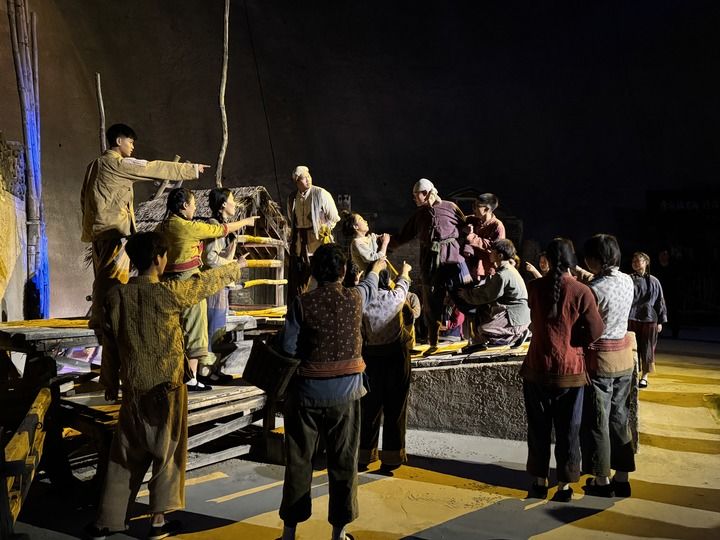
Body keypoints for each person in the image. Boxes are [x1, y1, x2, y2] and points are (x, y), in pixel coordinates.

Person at [85, 231, 247, 540]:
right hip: (167, 388)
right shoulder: (168, 293)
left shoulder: (117, 296)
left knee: (124, 455)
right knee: (168, 454)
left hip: (133, 387)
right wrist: (233, 268)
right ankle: (158, 522)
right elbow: (204, 283)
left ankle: (108, 521)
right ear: (160, 259)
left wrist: (109, 381)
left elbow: (111, 344)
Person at [277, 244, 385, 540]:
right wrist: (378, 264)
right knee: (344, 462)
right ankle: (339, 533)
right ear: (343, 271)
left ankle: (289, 534)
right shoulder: (356, 298)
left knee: (299, 462)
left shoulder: (302, 303)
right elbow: (371, 283)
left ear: (314, 272)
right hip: (346, 395)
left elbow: (288, 347)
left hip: (306, 395)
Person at [80, 123, 210, 329]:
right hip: (114, 230)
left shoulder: (94, 165)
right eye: (130, 142)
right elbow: (151, 167)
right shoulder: (116, 163)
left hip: (99, 230)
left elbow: (84, 199)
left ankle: (101, 319)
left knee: (103, 277)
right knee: (113, 279)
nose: (132, 147)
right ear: (119, 141)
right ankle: (109, 323)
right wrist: (190, 169)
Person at [520, 238, 604, 502]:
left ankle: (539, 481)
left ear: (548, 259)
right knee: (569, 430)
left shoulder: (534, 288)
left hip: (536, 368)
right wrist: (575, 342)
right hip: (570, 371)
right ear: (571, 260)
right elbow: (596, 330)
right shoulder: (582, 291)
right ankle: (565, 485)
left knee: (538, 429)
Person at [156, 188, 258, 391]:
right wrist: (245, 223)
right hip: (189, 282)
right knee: (196, 328)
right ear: (184, 206)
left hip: (168, 282)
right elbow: (219, 234)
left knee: (177, 330)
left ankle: (179, 374)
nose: (195, 208)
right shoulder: (186, 227)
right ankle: (192, 377)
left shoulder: (162, 226)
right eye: (193, 204)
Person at [579, 234, 636, 498]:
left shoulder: (593, 290)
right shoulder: (628, 280)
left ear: (596, 259)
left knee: (597, 420)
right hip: (624, 358)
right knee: (620, 417)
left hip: (601, 360)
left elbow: (586, 325)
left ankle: (601, 481)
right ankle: (622, 478)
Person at [391, 178, 466, 348]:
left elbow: (465, 226)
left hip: (452, 259)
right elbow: (403, 236)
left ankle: (478, 336)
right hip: (430, 262)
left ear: (425, 193)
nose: (414, 198)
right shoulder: (419, 215)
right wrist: (385, 243)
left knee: (462, 296)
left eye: (416, 195)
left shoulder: (450, 207)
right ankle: (433, 342)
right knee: (431, 302)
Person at [359, 261, 413, 472]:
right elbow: (403, 282)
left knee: (369, 409)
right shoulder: (395, 297)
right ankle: (392, 457)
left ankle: (364, 454)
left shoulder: (362, 302)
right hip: (396, 359)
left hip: (370, 360)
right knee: (395, 408)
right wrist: (405, 270)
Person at [456, 239, 530, 349]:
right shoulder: (507, 270)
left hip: (516, 317)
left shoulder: (503, 275)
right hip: (518, 315)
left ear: (500, 256)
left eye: (492, 252)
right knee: (482, 312)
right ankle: (481, 342)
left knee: (484, 329)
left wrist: (466, 294)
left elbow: (486, 295)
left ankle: (517, 335)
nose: (490, 253)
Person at [286, 165, 341, 305]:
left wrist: (325, 228)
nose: (308, 179)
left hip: (318, 241)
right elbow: (292, 219)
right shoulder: (292, 198)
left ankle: (324, 304)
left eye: (309, 176)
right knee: (300, 277)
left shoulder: (321, 194)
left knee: (321, 273)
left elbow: (334, 217)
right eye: (304, 178)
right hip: (301, 244)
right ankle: (301, 306)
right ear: (297, 181)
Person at [203, 188, 241, 380]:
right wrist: (233, 265)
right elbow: (210, 258)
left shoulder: (224, 226)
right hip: (214, 285)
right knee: (213, 326)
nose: (236, 204)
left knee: (219, 328)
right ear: (224, 204)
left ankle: (214, 369)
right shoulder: (214, 225)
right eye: (233, 200)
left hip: (221, 284)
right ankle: (206, 371)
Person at [628, 252, 668, 388]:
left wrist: (661, 320)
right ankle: (632, 374)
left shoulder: (654, 281)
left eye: (638, 260)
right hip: (631, 317)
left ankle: (644, 376)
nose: (635, 262)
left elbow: (660, 301)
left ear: (646, 262)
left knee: (648, 348)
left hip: (649, 319)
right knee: (632, 347)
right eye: (633, 260)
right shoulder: (628, 279)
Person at [462, 193, 506, 282]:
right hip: (467, 268)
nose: (473, 208)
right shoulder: (471, 219)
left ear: (486, 209)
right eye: (473, 205)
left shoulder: (497, 226)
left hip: (485, 272)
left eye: (476, 206)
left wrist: (471, 236)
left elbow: (494, 247)